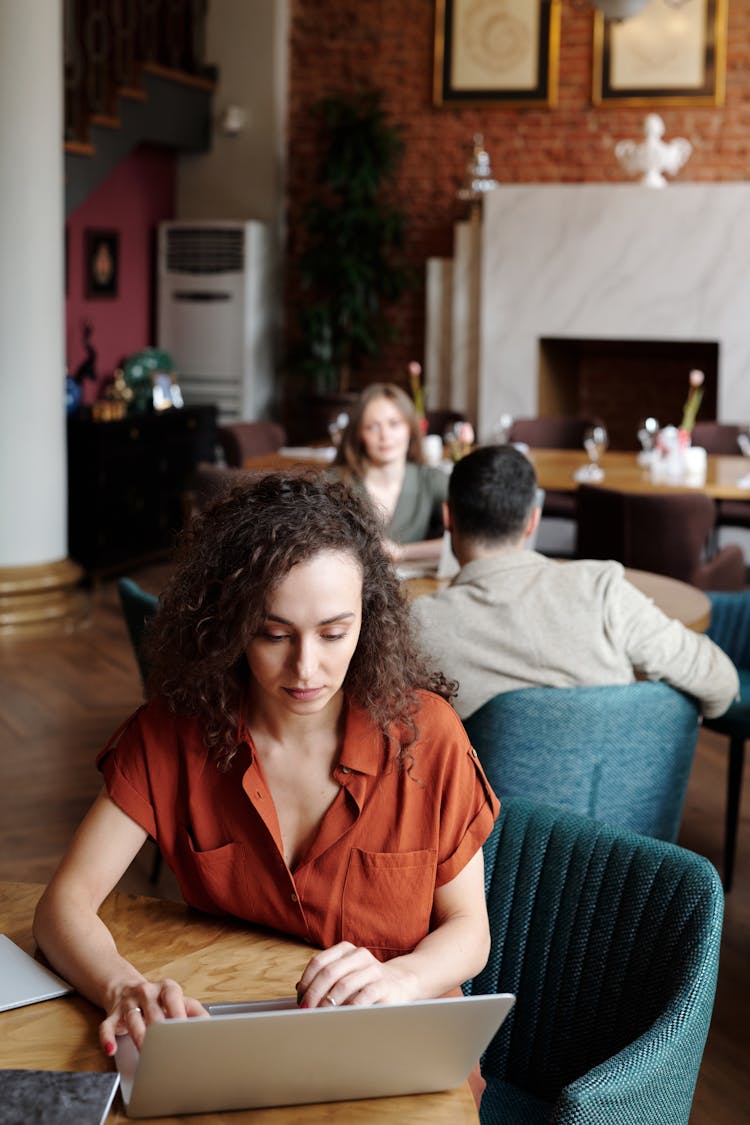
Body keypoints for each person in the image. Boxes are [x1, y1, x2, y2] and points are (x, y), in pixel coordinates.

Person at [33, 473, 498, 1064]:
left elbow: (470, 933)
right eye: (273, 634)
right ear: (230, 625)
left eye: (334, 633)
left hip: (398, 1035)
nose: (307, 669)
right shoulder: (176, 731)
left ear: (368, 617)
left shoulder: (425, 737)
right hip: (236, 1038)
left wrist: (404, 978)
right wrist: (121, 986)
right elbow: (63, 906)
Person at [410, 445, 739, 721]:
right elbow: (721, 682)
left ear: (448, 517)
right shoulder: (601, 591)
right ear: (532, 521)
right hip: (623, 796)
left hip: (489, 799)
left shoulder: (420, 625)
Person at [331, 382, 448, 564]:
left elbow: (479, 535)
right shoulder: (334, 482)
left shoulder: (431, 479)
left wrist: (404, 552)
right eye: (372, 427)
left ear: (410, 428)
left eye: (394, 424)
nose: (385, 436)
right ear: (359, 434)